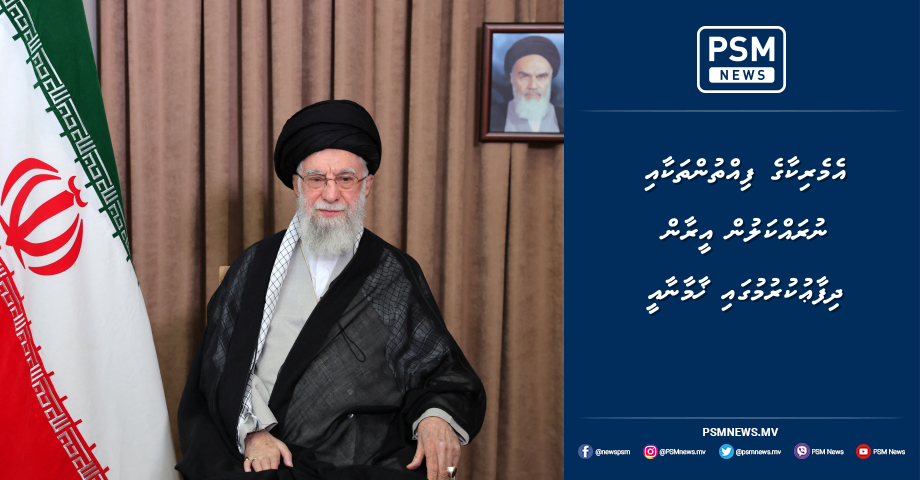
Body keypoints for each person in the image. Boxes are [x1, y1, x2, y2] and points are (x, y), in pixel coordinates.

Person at [176, 99, 486, 480]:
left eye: (345, 179)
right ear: (297, 185)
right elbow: (220, 364)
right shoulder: (255, 266)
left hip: (367, 460)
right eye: (316, 179)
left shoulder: (392, 272)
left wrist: (435, 419)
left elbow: (440, 370)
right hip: (272, 456)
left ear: (367, 185)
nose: (331, 194)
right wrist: (254, 434)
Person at [490, 35, 564, 133]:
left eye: (541, 77)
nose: (533, 86)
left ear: (550, 78)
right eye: (525, 77)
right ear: (512, 78)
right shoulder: (492, 117)